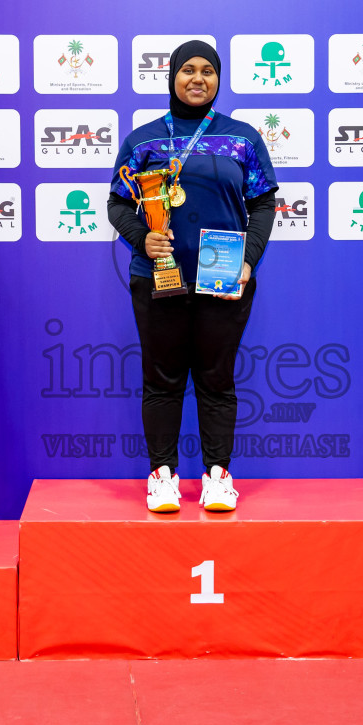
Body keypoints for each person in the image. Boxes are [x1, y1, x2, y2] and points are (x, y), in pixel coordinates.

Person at [108, 41, 278, 513]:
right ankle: (162, 477)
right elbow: (118, 203)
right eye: (188, 70)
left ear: (219, 79)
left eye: (208, 71)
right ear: (172, 77)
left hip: (224, 279)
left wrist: (250, 258)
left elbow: (263, 202)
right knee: (161, 380)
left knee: (216, 379)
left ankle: (217, 477)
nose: (197, 79)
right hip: (157, 277)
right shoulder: (143, 140)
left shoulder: (242, 138)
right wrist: (142, 238)